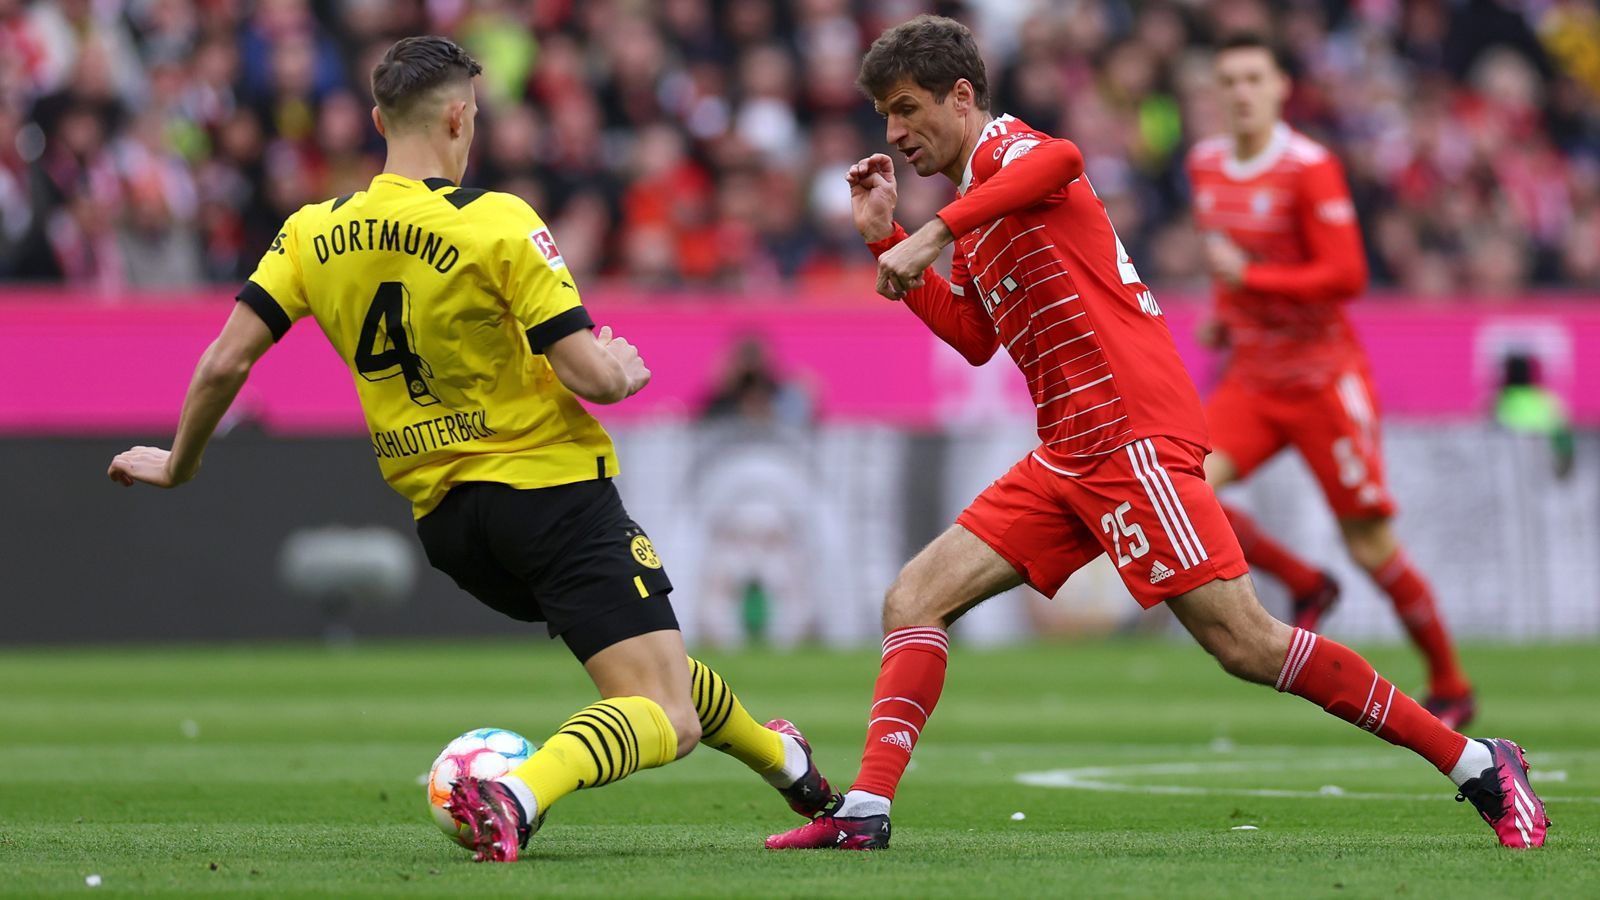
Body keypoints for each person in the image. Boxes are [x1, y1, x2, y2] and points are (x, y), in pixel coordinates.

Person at [765, 16, 1546, 852]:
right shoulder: (976, 205)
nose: (893, 132)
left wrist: (929, 235)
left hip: (1131, 434)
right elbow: (976, 336)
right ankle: (866, 813)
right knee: (913, 598)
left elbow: (1066, 159)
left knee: (1245, 643)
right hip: (1069, 448)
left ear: (962, 98)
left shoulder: (1008, 153)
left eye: (907, 107)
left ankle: (1477, 765)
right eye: (885, 114)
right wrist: (886, 234)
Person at [106, 35, 831, 864]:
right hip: (551, 495)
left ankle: (790, 764)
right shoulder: (499, 221)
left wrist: (179, 461)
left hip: (450, 526)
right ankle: (516, 793)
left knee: (648, 654)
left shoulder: (311, 231)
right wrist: (625, 370)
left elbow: (225, 360)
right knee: (664, 715)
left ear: (379, 119)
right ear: (460, 117)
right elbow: (588, 373)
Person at [1187, 34, 1475, 729]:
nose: (1242, 92)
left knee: (1370, 544)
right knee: (1181, 488)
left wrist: (1247, 281)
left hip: (1322, 378)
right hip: (1254, 376)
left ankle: (1450, 680)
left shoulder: (1309, 167)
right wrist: (1228, 316)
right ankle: (1303, 579)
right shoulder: (1206, 165)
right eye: (1229, 80)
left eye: (1255, 77)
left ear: (1283, 87)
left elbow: (1347, 275)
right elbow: (1234, 262)